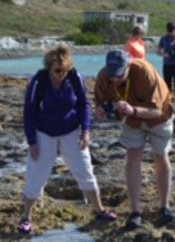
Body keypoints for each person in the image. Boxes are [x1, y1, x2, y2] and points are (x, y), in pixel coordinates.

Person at [19, 45, 117, 234]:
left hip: (71, 131)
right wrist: (32, 141)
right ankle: (26, 217)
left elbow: (83, 105)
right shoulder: (38, 81)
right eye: (57, 70)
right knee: (36, 175)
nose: (61, 74)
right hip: (44, 132)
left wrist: (85, 131)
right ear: (49, 67)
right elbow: (29, 112)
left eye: (64, 70)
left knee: (85, 170)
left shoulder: (75, 77)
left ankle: (99, 210)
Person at [93, 50, 175, 229]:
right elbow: (100, 104)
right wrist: (100, 111)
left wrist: (133, 110)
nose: (115, 79)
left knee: (161, 156)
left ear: (128, 66)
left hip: (158, 119)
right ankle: (135, 211)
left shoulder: (145, 72)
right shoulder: (104, 76)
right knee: (132, 157)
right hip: (131, 121)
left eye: (119, 75)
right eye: (112, 75)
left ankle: (165, 207)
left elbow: (157, 111)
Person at [157, 22, 175, 111]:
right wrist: (164, 54)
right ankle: (167, 104)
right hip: (167, 65)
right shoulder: (163, 38)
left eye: (173, 30)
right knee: (167, 85)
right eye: (170, 30)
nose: (171, 32)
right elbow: (158, 51)